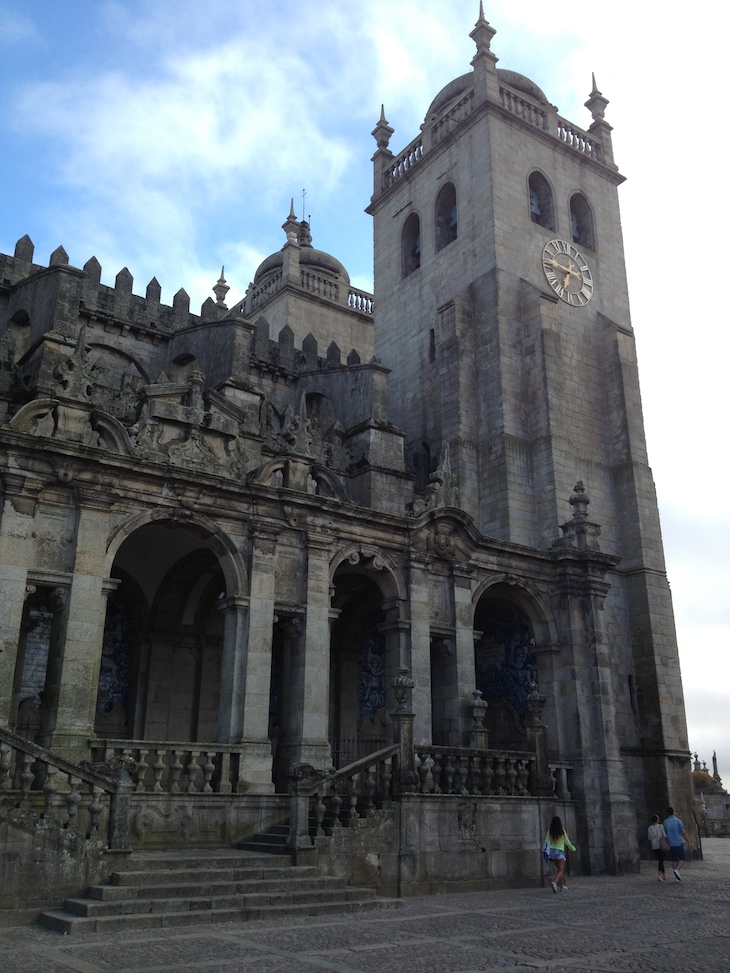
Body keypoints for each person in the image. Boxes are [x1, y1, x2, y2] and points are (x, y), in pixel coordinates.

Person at [544, 815, 576, 892]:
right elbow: (567, 842)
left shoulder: (550, 831)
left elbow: (546, 841)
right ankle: (554, 882)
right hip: (559, 852)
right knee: (561, 870)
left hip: (552, 852)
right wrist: (573, 848)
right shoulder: (562, 831)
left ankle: (562, 886)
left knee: (559, 870)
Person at [663, 806, 689, 881]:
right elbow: (683, 833)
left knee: (674, 860)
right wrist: (688, 841)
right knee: (682, 859)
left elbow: (665, 833)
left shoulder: (665, 822)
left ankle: (676, 877)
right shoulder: (678, 821)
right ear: (673, 812)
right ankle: (677, 870)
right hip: (678, 842)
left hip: (670, 843)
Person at [647, 814, 667, 881]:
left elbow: (649, 838)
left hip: (654, 846)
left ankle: (664, 875)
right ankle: (659, 875)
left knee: (660, 860)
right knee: (661, 860)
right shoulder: (661, 826)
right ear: (657, 820)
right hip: (661, 845)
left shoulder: (650, 828)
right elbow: (664, 835)